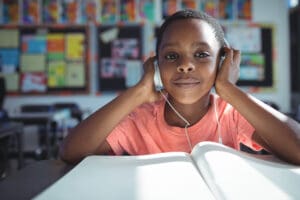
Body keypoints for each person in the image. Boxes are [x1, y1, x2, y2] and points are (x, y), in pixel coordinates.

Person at [60, 9, 300, 165]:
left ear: (224, 62)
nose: (186, 65)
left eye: (202, 54)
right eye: (172, 56)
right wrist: (137, 93)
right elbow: (71, 152)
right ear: (157, 64)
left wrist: (229, 90)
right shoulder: (138, 119)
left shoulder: (232, 113)